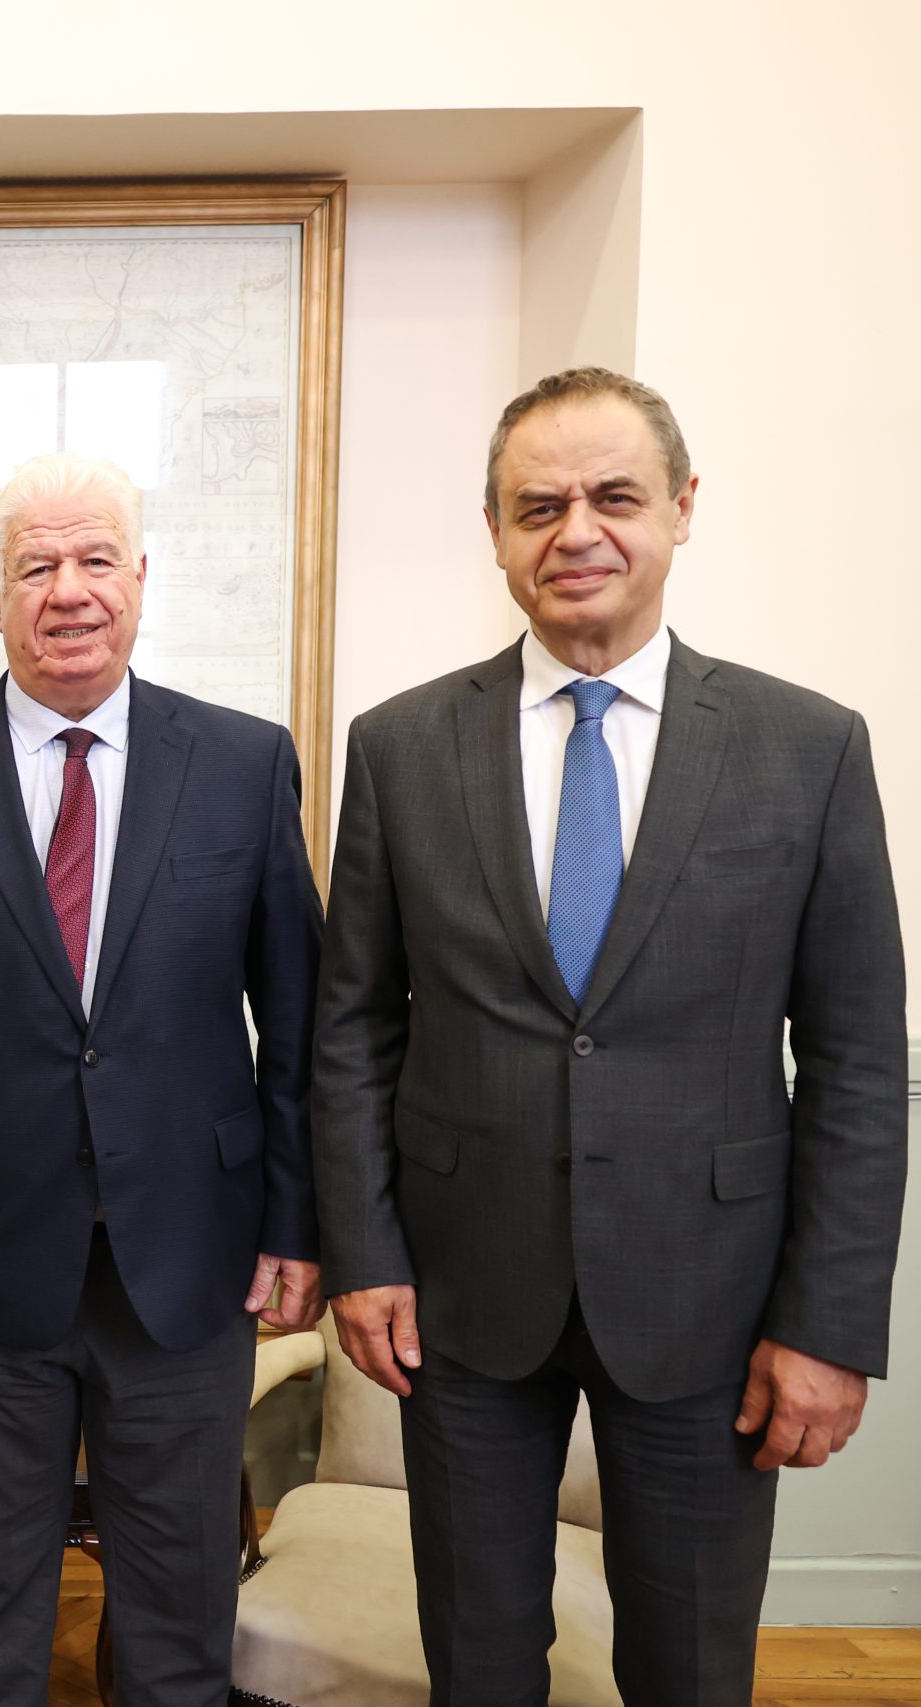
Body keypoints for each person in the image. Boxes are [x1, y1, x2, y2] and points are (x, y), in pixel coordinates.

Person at [314, 368, 906, 1705]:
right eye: (539, 505)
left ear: (682, 508)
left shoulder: (806, 749)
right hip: (460, 1303)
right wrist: (365, 1251)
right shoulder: (400, 746)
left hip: (712, 1303)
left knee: (688, 1670)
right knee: (476, 1663)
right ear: (496, 531)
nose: (575, 530)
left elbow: (862, 1062)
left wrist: (827, 1323)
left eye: (614, 497)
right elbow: (352, 1025)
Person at [0, 453, 325, 1707]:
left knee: (179, 1612)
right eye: (36, 565)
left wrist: (298, 1225)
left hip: (191, 1263)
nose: (70, 590)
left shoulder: (244, 764)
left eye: (96, 559)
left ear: (140, 579)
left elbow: (298, 1026)